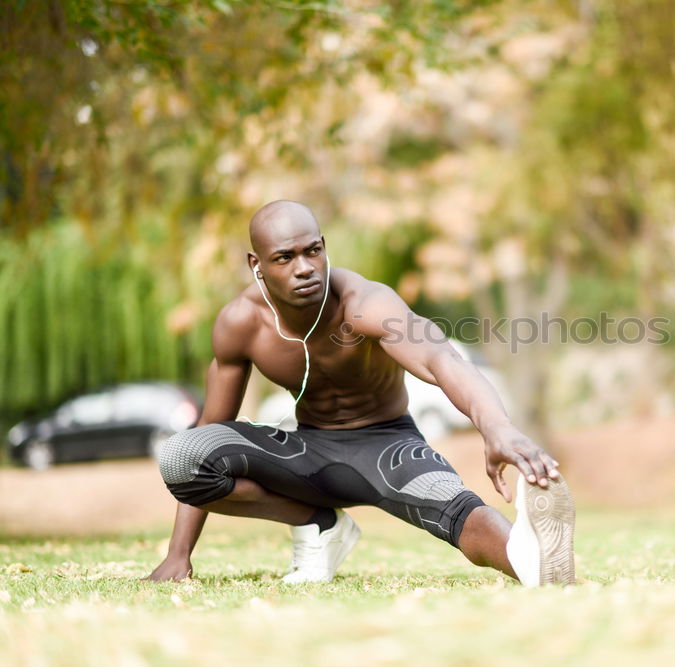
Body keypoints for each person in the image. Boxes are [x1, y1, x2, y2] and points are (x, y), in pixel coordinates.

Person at [146, 200, 575, 586]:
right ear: (256, 263)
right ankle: (319, 523)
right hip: (306, 454)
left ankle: (531, 560)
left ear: (324, 245)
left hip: (388, 448)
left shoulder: (364, 302)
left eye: (313, 250)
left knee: (454, 508)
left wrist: (497, 428)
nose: (304, 267)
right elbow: (212, 428)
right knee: (184, 456)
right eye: (284, 257)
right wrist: (178, 554)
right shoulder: (241, 323)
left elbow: (442, 360)